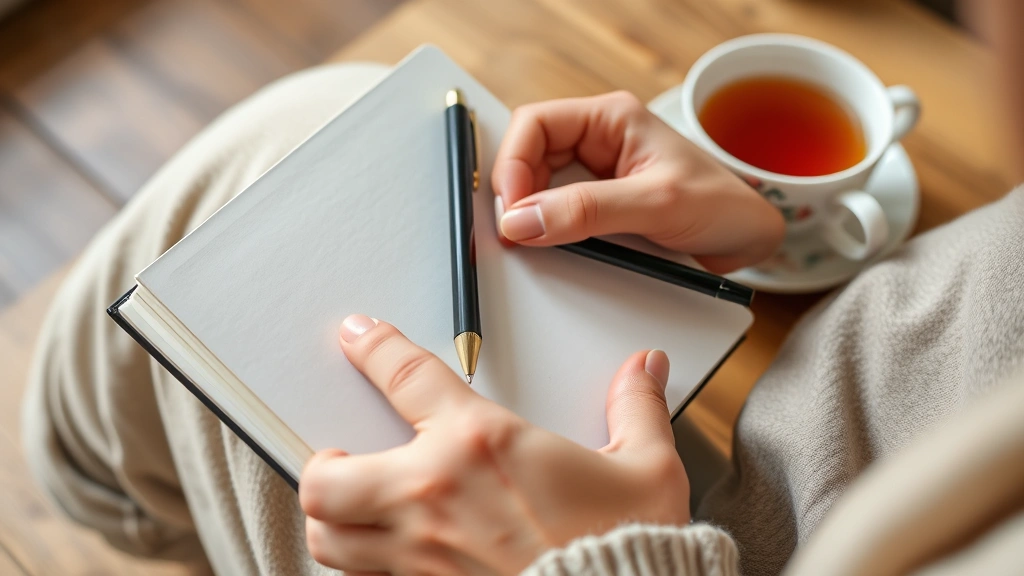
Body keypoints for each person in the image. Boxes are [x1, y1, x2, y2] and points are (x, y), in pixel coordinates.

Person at [22, 9, 1024, 576]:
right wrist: (759, 231)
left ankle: (129, 513)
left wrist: (583, 565)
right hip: (761, 492)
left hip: (659, 547)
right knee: (324, 132)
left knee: (230, 277)